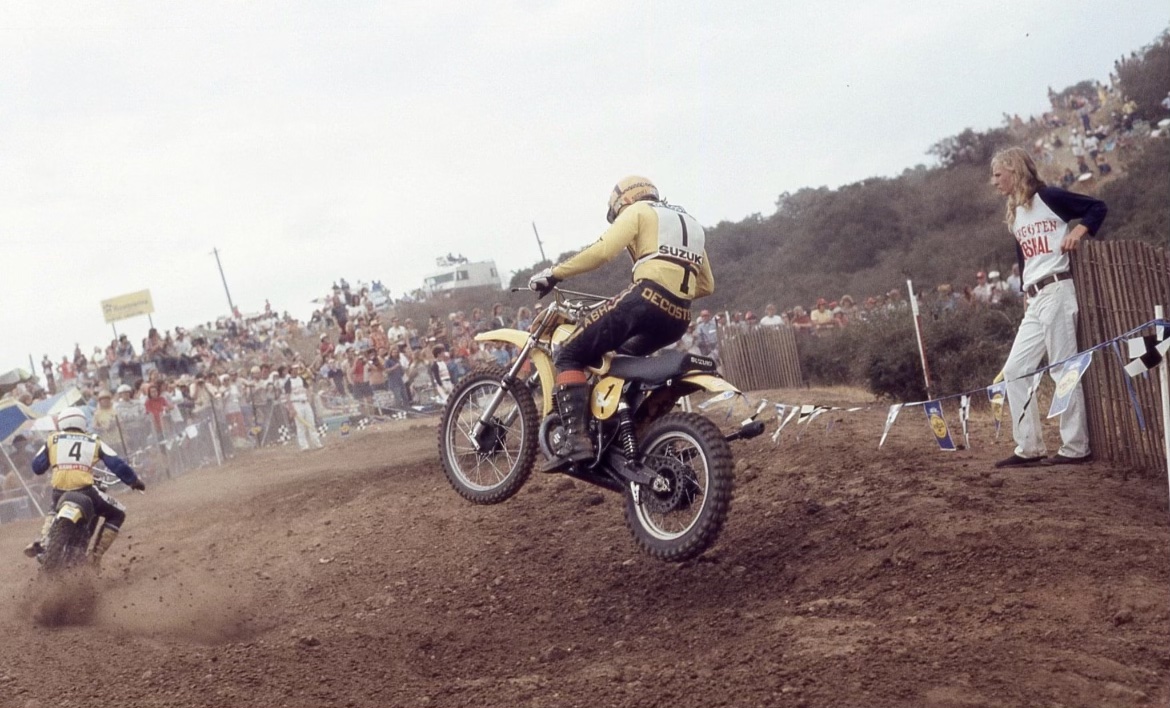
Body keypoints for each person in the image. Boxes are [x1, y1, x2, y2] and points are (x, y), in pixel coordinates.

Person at [528, 176, 714, 472]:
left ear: (624, 201)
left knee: (570, 353)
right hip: (678, 316)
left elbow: (602, 251)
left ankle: (576, 440)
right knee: (620, 362)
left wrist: (555, 273)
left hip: (645, 299)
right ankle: (625, 429)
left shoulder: (638, 211)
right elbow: (706, 285)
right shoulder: (691, 224)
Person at [990, 147, 1107, 468]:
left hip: (1058, 288)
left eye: (998, 174)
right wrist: (1026, 290)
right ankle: (1028, 447)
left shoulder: (1049, 198)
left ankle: (1076, 446)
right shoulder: (1015, 211)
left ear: (1015, 171)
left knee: (1062, 368)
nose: (994, 181)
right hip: (1035, 295)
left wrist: (1079, 231)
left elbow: (1097, 207)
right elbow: (1024, 255)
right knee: (1014, 370)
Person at [22, 406, 146, 567]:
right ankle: (95, 558)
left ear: (61, 423)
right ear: (82, 423)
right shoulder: (94, 440)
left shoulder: (52, 439)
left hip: (59, 492)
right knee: (118, 513)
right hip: (86, 491)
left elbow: (37, 467)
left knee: (54, 508)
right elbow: (117, 464)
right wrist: (133, 481)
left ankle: (44, 542)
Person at [285, 363, 323, 451]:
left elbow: (308, 388)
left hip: (305, 402)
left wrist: (309, 398)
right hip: (296, 403)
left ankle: (316, 443)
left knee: (311, 422)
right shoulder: (288, 382)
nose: (296, 371)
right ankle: (304, 446)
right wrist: (291, 409)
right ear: (290, 371)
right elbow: (287, 396)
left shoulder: (301, 379)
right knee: (300, 425)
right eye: (294, 369)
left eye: (297, 369)